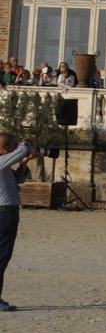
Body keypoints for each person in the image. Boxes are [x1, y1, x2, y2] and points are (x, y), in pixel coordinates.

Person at [0, 133, 38, 311]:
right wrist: (25, 142)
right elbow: (23, 149)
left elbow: (18, 179)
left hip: (7, 211)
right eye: (11, 147)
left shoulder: (3, 165)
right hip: (4, 212)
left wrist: (24, 164)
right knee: (2, 255)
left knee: (3, 256)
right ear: (5, 148)